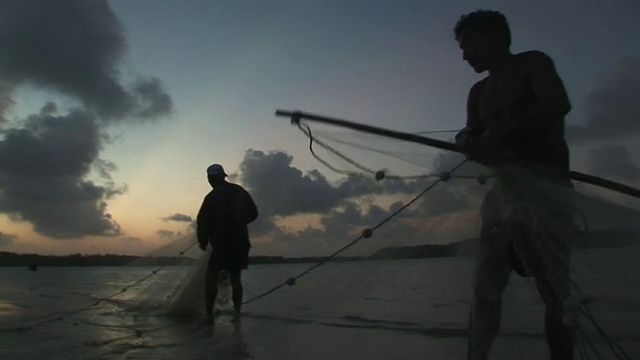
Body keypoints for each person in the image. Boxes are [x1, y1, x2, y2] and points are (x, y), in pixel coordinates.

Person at [452, 10, 576, 360]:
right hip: (502, 195)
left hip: (547, 191)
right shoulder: (478, 92)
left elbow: (556, 103)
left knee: (556, 294)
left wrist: (499, 136)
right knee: (485, 291)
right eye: (462, 49)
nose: (465, 55)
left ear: (494, 36)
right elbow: (471, 132)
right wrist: (465, 139)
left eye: (469, 44)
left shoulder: (533, 64)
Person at [197, 163, 258, 322]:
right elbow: (253, 213)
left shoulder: (211, 197)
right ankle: (237, 315)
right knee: (235, 278)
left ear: (211, 179)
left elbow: (202, 222)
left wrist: (203, 240)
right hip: (240, 242)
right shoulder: (239, 191)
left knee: (211, 276)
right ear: (223, 176)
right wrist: (238, 222)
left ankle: (208, 314)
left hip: (221, 244)